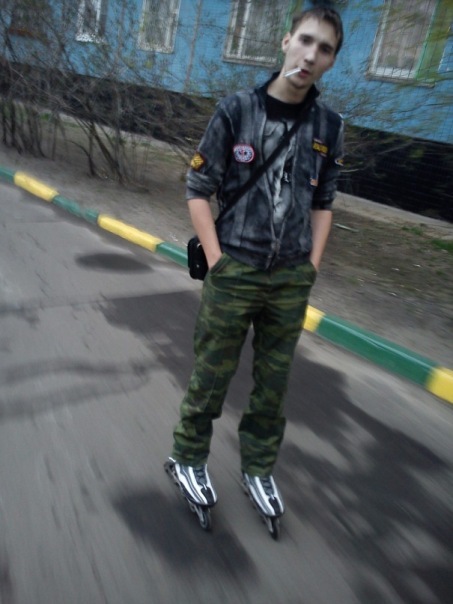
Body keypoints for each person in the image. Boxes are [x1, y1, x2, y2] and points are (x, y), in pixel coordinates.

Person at [168, 7, 344, 517]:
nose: (311, 55)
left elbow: (324, 202)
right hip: (235, 270)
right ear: (287, 41)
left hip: (290, 277)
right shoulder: (237, 110)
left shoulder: (329, 125)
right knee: (212, 374)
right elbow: (198, 188)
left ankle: (259, 467)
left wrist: (310, 266)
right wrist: (218, 261)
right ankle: (187, 457)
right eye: (305, 41)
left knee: (274, 383)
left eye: (325, 49)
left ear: (331, 61)